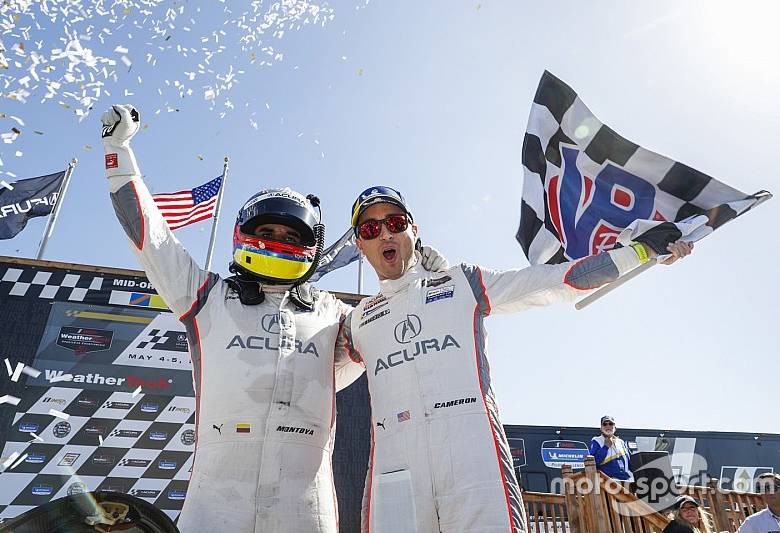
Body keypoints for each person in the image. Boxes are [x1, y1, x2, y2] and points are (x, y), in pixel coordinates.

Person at [102, 107, 449, 532]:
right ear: (245, 232)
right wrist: (118, 151)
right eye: (268, 233)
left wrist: (420, 281)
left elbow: (399, 326)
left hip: (306, 507)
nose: (278, 243)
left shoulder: (334, 314)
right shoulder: (207, 297)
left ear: (311, 248)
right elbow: (150, 237)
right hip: (215, 503)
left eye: (291, 238)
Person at [339, 185, 693, 533]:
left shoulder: (463, 282)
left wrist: (643, 252)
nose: (385, 233)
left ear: (413, 231)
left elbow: (556, 281)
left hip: (474, 464)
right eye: (371, 228)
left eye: (396, 222)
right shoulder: (356, 322)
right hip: (395, 476)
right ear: (360, 245)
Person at [589, 415, 634, 481]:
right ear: (601, 428)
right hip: (607, 482)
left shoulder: (621, 442)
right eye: (605, 424)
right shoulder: (596, 441)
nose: (608, 426)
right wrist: (605, 447)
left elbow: (631, 462)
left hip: (626, 480)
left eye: (611, 424)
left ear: (615, 428)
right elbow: (593, 462)